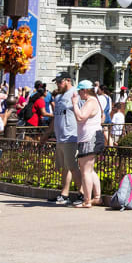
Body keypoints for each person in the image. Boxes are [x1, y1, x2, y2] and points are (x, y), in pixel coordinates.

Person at [72, 81, 104, 207]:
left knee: (85, 171)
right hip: (90, 137)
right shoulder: (93, 101)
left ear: (84, 90)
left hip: (89, 138)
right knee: (90, 170)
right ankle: (97, 197)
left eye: (79, 91)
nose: (78, 94)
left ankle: (87, 200)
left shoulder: (91, 102)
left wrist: (74, 104)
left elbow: (80, 117)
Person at [50, 74, 80, 205]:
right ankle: (64, 194)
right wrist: (46, 135)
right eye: (56, 82)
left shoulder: (75, 94)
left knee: (73, 167)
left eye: (59, 82)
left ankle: (83, 194)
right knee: (65, 168)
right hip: (60, 137)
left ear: (68, 81)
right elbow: (55, 118)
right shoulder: (58, 97)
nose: (57, 84)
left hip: (71, 135)